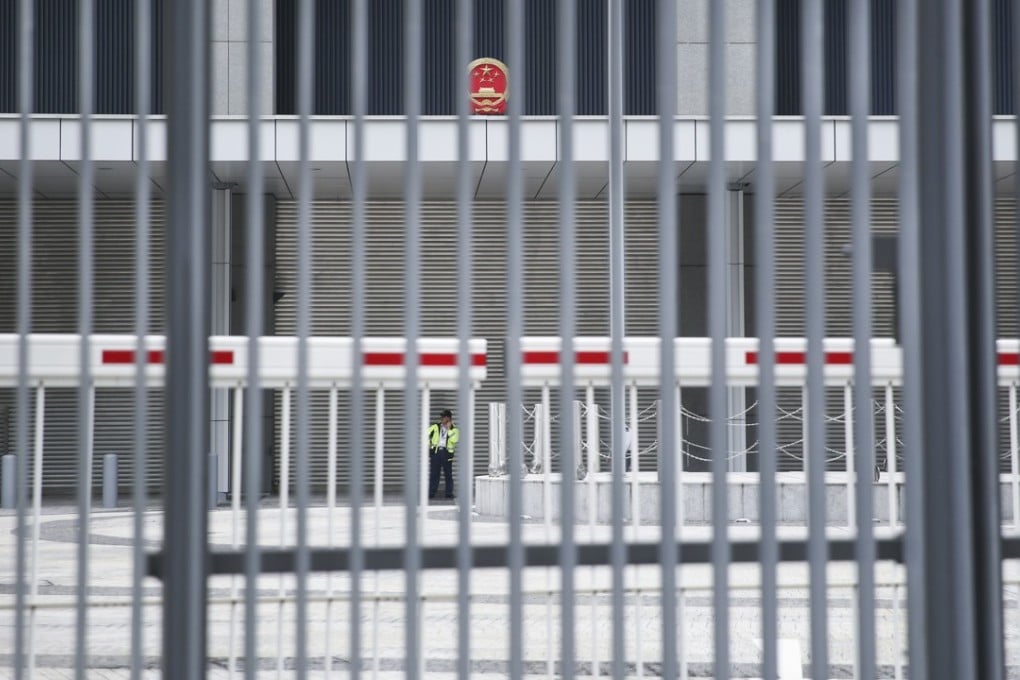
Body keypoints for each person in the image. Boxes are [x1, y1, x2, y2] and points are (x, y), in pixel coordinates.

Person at [427, 409, 459, 499]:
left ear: (448, 418)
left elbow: (454, 440)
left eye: (443, 417)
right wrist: (428, 443)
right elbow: (425, 433)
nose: (441, 418)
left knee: (448, 474)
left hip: (447, 453)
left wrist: (449, 429)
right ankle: (431, 493)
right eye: (441, 416)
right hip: (436, 453)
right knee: (434, 474)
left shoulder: (454, 429)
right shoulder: (435, 426)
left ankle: (449, 494)